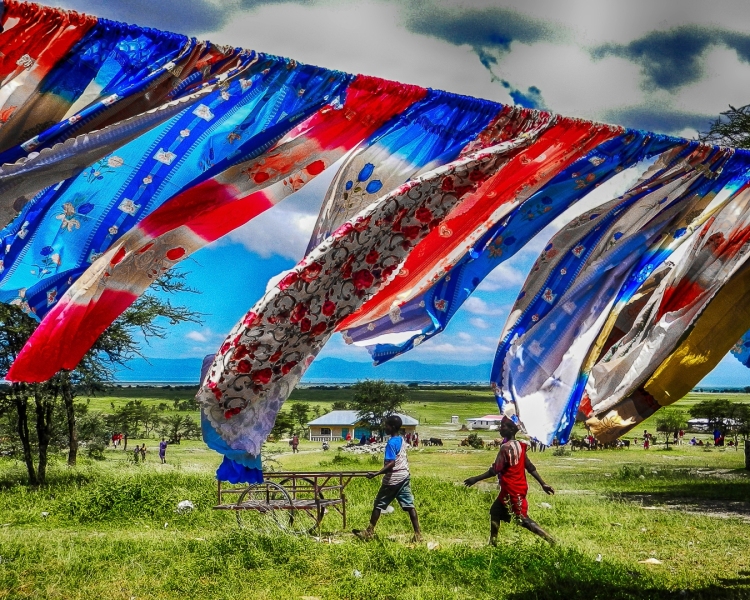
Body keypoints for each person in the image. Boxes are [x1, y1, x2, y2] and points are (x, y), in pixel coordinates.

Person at [464, 416, 555, 545]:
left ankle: (551, 540)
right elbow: (529, 467)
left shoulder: (505, 448)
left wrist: (475, 479)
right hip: (510, 488)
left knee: (521, 518)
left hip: (513, 488)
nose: (501, 428)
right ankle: (493, 542)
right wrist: (543, 483)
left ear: (511, 429)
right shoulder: (519, 446)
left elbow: (495, 470)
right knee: (495, 511)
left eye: (503, 426)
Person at [353, 415, 422, 543]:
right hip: (404, 476)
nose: (385, 427)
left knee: (378, 504)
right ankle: (418, 534)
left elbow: (391, 464)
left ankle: (369, 532)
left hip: (393, 479)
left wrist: (376, 474)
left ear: (392, 427)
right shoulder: (400, 439)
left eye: (387, 425)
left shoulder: (391, 443)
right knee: (409, 506)